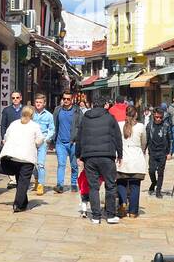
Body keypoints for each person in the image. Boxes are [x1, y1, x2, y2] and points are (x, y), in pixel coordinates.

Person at [75, 95, 123, 224]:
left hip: (89, 157)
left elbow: (79, 137)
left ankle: (96, 216)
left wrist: (78, 155)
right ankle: (111, 215)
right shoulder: (110, 118)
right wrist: (120, 154)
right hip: (107, 156)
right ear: (105, 105)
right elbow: (117, 137)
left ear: (92, 105)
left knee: (93, 187)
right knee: (111, 185)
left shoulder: (85, 118)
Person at [0, 105, 47, 213]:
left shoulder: (14, 124)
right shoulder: (35, 126)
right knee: (23, 182)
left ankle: (23, 202)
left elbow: (6, 137)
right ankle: (18, 204)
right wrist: (34, 144)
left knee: (20, 181)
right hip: (27, 158)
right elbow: (40, 140)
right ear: (32, 114)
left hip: (14, 157)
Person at [116, 106, 148, 217]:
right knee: (135, 185)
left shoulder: (119, 125)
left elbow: (116, 140)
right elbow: (144, 142)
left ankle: (123, 201)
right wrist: (142, 150)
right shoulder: (141, 126)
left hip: (123, 157)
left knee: (121, 182)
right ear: (136, 115)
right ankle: (133, 212)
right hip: (137, 158)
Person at [53, 92, 82, 193]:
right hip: (60, 142)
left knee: (74, 165)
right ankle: (60, 185)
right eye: (64, 98)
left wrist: (78, 140)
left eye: (68, 99)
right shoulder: (57, 110)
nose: (66, 101)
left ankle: (74, 183)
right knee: (61, 164)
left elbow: (81, 126)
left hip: (73, 143)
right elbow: (54, 125)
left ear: (72, 99)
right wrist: (54, 138)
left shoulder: (77, 111)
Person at [144, 108, 172, 198]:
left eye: (160, 117)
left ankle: (158, 190)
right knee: (151, 170)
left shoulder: (166, 125)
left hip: (162, 152)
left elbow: (170, 139)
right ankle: (154, 182)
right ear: (153, 116)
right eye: (157, 117)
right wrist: (143, 149)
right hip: (152, 151)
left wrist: (169, 152)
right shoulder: (149, 125)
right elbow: (146, 138)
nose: (158, 119)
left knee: (160, 172)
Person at [0, 92, 25, 188]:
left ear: (21, 98)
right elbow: (3, 125)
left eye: (17, 97)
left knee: (20, 158)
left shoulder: (24, 110)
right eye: (13, 98)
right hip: (10, 138)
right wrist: (3, 138)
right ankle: (12, 180)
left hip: (22, 138)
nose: (15, 99)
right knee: (10, 158)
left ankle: (19, 177)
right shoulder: (7, 110)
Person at [31, 94, 55, 197]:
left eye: (40, 102)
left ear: (44, 103)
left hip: (43, 141)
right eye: (37, 102)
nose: (38, 104)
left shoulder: (49, 115)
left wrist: (46, 139)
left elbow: (52, 129)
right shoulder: (32, 114)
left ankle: (41, 184)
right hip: (32, 141)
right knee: (31, 163)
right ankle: (36, 179)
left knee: (40, 164)